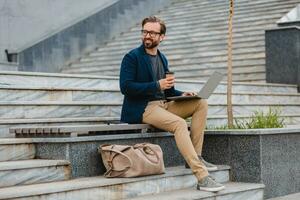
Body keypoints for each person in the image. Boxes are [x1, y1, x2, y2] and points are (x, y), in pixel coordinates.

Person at [119, 16, 225, 192]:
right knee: (179, 123)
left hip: (164, 104)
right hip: (145, 108)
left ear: (162, 37)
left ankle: (196, 156)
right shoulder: (132, 57)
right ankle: (202, 177)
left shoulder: (162, 59)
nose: (147, 36)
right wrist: (156, 85)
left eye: (152, 33)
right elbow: (126, 87)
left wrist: (182, 94)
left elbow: (168, 92)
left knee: (201, 103)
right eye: (145, 31)